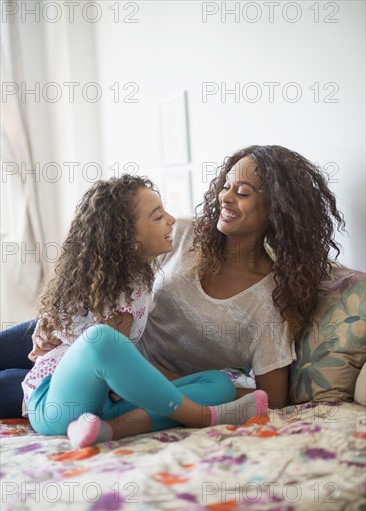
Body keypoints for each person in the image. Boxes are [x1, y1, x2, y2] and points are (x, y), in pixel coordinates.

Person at [1, 145, 344, 414]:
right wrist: (51, 320)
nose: (225, 196)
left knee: (8, 386)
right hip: (78, 329)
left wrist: (173, 389)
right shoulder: (183, 234)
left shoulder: (267, 302)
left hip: (116, 378)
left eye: (243, 192)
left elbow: (271, 400)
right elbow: (97, 259)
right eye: (226, 185)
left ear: (275, 209)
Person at [15, 174, 268, 448]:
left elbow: (132, 370)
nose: (171, 219)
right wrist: (46, 331)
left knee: (219, 384)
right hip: (61, 401)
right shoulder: (95, 286)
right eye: (158, 217)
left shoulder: (140, 283)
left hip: (109, 406)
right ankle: (200, 416)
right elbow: (66, 333)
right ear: (129, 239)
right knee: (101, 339)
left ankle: (111, 430)